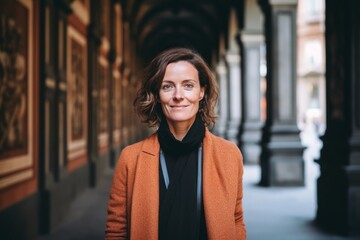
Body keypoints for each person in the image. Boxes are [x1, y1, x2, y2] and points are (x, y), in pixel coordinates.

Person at [105, 47, 246, 240]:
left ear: (201, 92)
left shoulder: (229, 155)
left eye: (188, 85)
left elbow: (236, 219)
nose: (178, 95)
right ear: (157, 94)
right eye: (167, 86)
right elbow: (116, 229)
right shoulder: (131, 158)